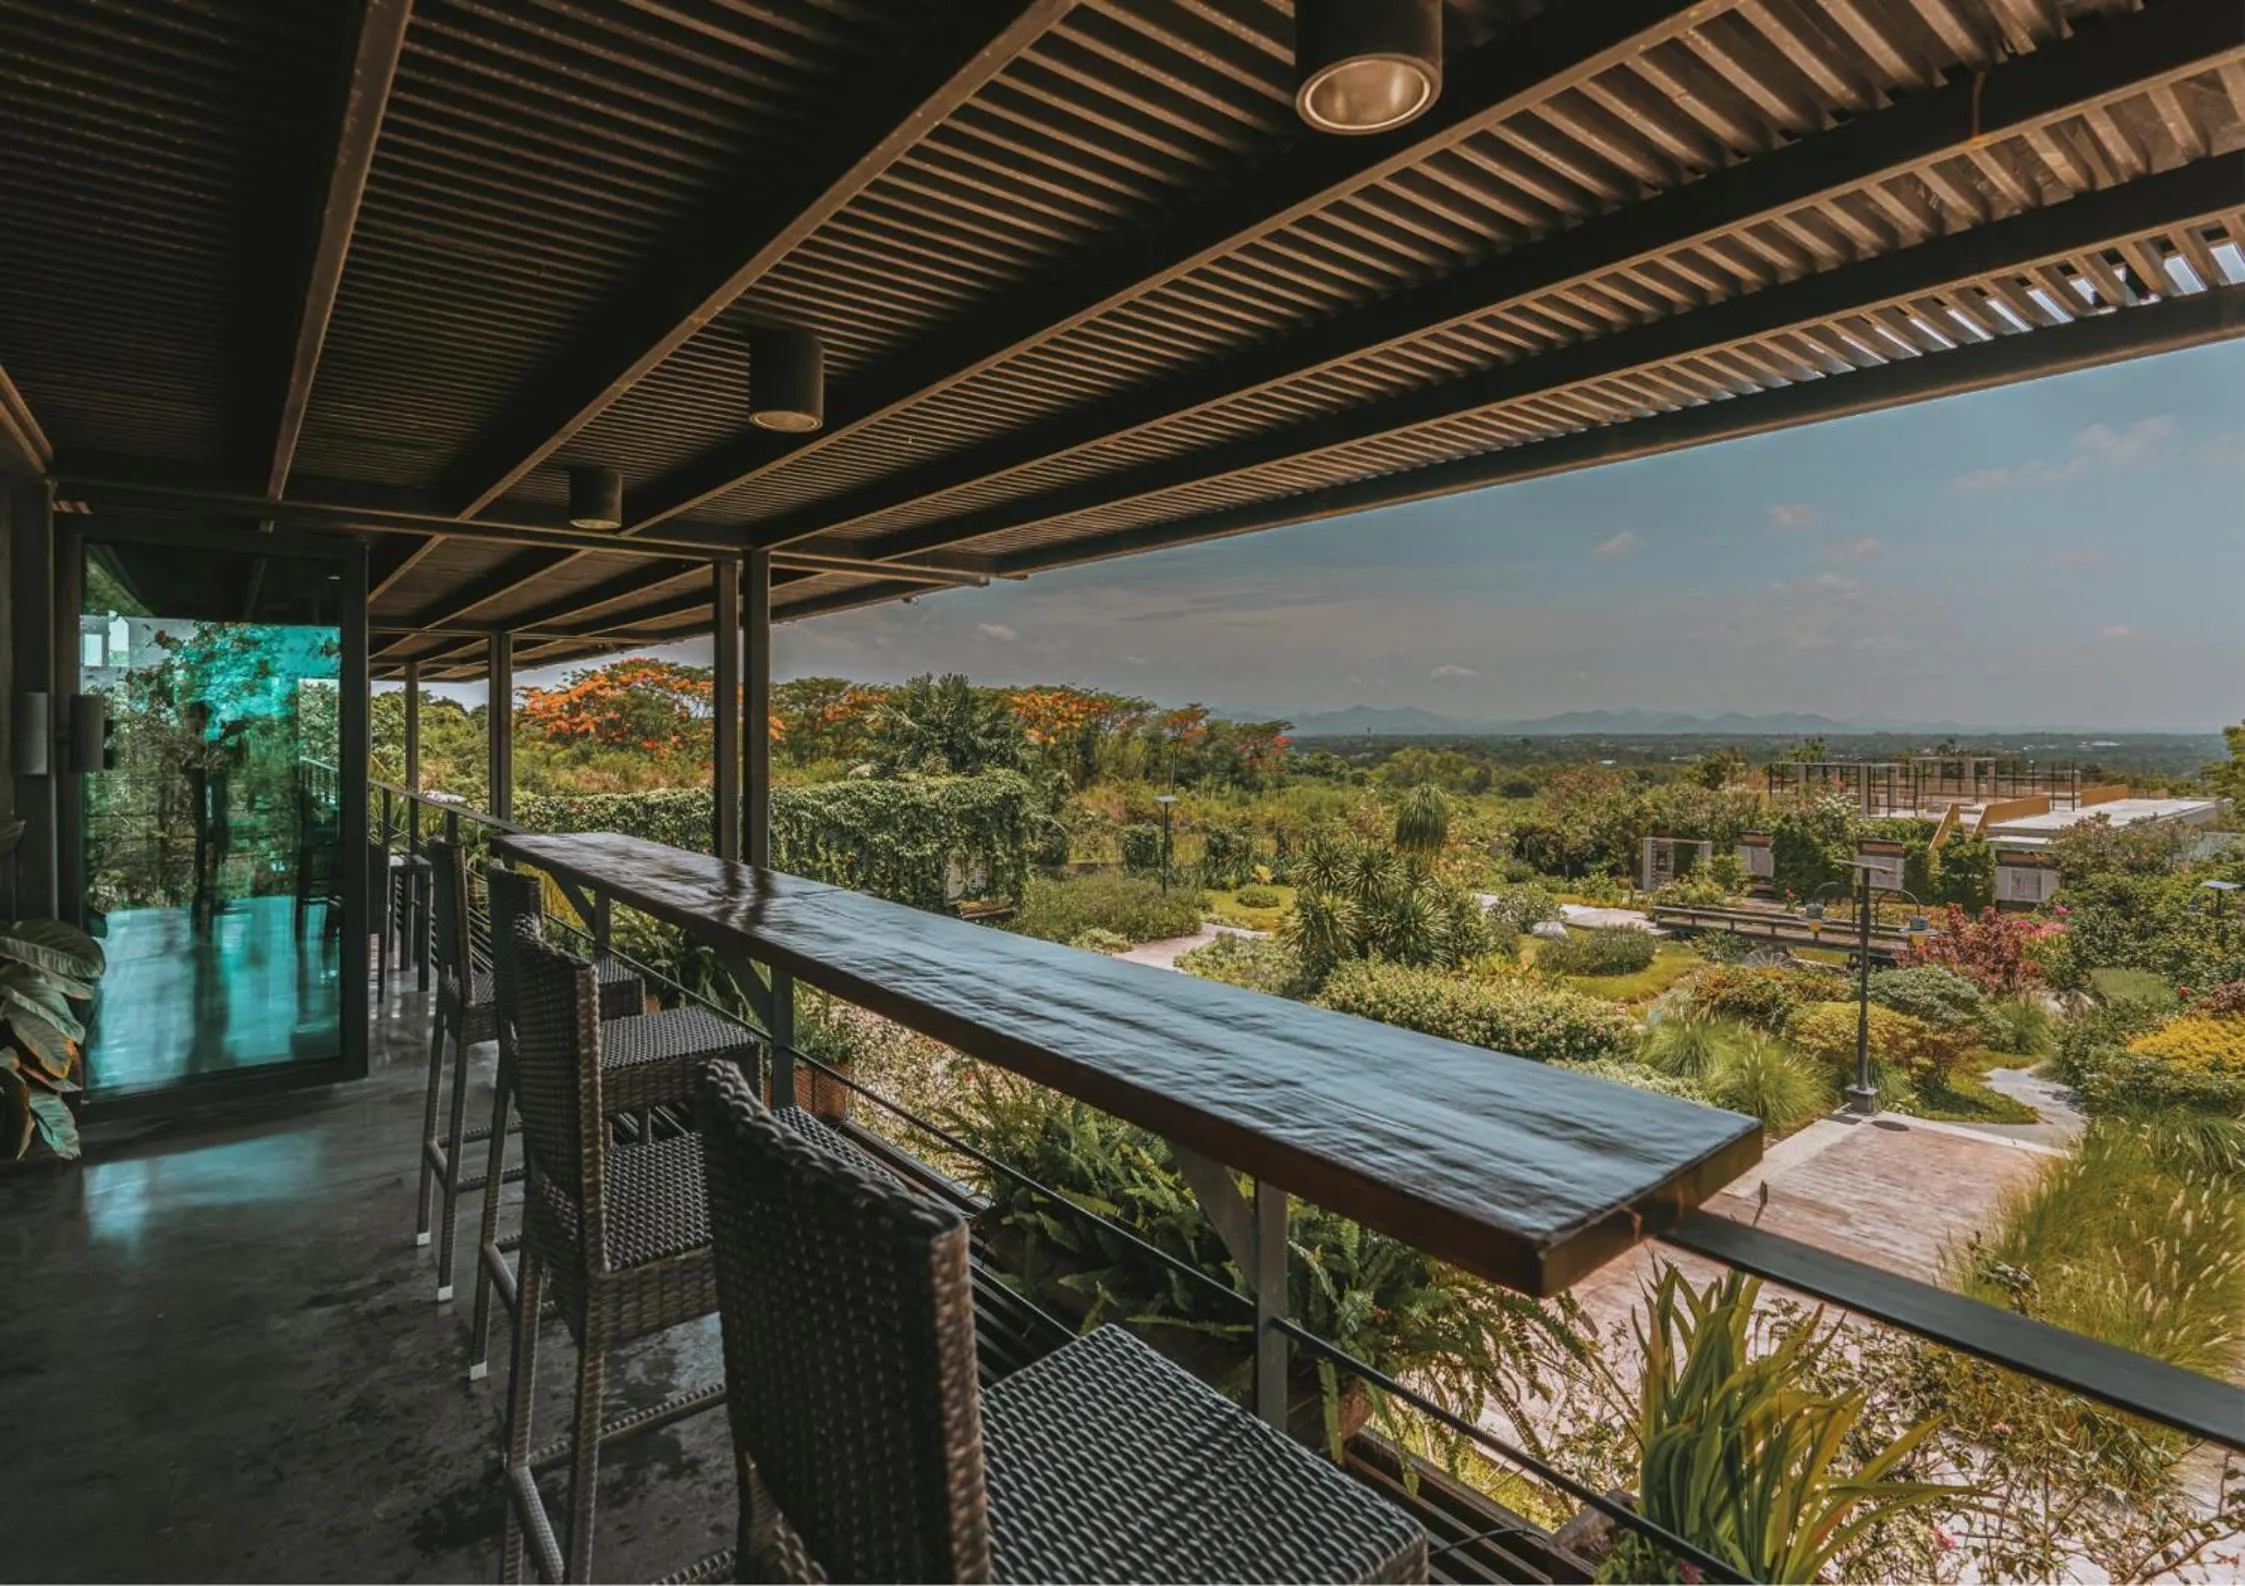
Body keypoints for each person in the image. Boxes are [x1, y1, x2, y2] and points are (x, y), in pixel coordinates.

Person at [184, 700, 245, 935]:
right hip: (206, 804)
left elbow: (231, 760)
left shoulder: (209, 742)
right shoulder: (198, 742)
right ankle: (205, 890)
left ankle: (211, 889)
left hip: (214, 803)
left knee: (216, 842)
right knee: (208, 843)